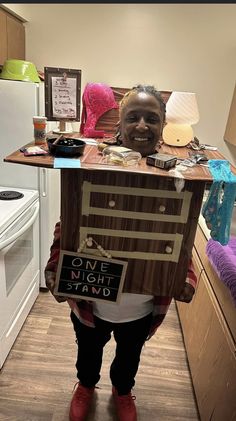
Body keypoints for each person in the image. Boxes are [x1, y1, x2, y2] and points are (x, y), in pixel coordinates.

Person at [45, 85, 197, 421]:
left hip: (142, 307)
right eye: (133, 117)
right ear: (120, 125)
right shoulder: (91, 166)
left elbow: (182, 239)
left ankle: (123, 390)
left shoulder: (178, 177)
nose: (142, 125)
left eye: (151, 119)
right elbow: (67, 225)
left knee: (129, 358)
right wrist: (56, 267)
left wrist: (186, 278)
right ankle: (85, 386)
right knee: (88, 353)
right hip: (91, 299)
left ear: (162, 127)